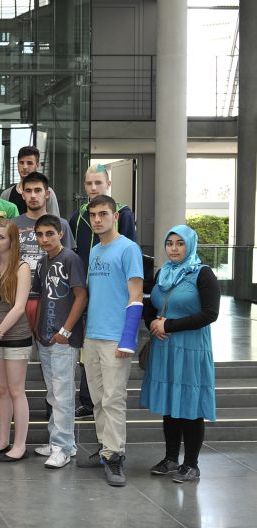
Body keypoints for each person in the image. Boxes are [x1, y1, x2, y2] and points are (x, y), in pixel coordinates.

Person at [141, 225, 220, 483]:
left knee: (190, 403)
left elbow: (210, 314)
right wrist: (152, 323)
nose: (174, 248)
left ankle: (192, 464)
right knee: (170, 402)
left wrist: (169, 325)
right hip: (165, 347)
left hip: (191, 348)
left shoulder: (202, 274)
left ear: (190, 245)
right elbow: (148, 302)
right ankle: (171, 458)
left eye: (180, 243)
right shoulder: (163, 272)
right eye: (170, 243)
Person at [76, 195, 143, 487]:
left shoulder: (129, 249)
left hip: (116, 337)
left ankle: (115, 456)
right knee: (98, 399)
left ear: (115, 216)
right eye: (93, 215)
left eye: (103, 214)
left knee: (114, 399)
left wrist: (127, 339)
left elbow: (136, 297)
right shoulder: (95, 252)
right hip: (93, 336)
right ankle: (105, 449)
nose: (97, 219)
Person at [69, 164, 138, 420]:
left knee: (107, 358)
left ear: (108, 183)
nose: (93, 188)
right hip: (84, 293)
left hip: (112, 295)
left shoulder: (122, 213)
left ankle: (111, 446)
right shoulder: (77, 217)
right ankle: (87, 400)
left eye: (98, 183)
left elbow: (129, 249)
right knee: (89, 351)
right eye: (89, 184)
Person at [31, 214, 87, 469]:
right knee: (53, 393)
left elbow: (81, 296)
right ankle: (61, 443)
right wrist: (39, 329)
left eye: (49, 234)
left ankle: (62, 447)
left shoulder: (71, 259)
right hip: (45, 336)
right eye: (40, 234)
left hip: (63, 338)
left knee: (63, 394)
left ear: (61, 234)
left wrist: (65, 331)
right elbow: (42, 298)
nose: (44, 239)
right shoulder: (43, 262)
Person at [0, 219, 32, 462]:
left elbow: (20, 306)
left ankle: (19, 445)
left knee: (15, 390)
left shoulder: (21, 267)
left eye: (1, 237)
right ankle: (2, 440)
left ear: (12, 240)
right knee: (1, 390)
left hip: (16, 336)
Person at [12, 172, 74, 329]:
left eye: (38, 190)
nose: (33, 195)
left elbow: (68, 264)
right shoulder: (12, 225)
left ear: (47, 194)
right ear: (23, 194)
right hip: (19, 299)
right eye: (28, 191)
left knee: (48, 349)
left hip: (52, 299)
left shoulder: (62, 225)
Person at [0, 146, 60, 217]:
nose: (25, 167)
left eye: (29, 163)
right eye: (21, 163)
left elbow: (55, 222)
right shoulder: (6, 194)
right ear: (17, 165)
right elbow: (2, 225)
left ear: (37, 165)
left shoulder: (47, 192)